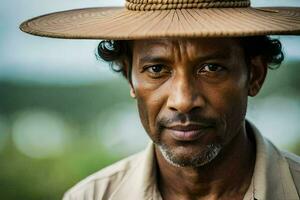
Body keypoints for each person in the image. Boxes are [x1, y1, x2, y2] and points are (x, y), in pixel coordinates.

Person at [20, 0, 300, 199]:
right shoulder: (90, 196)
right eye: (156, 69)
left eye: (212, 68)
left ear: (255, 75)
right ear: (130, 78)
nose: (183, 100)